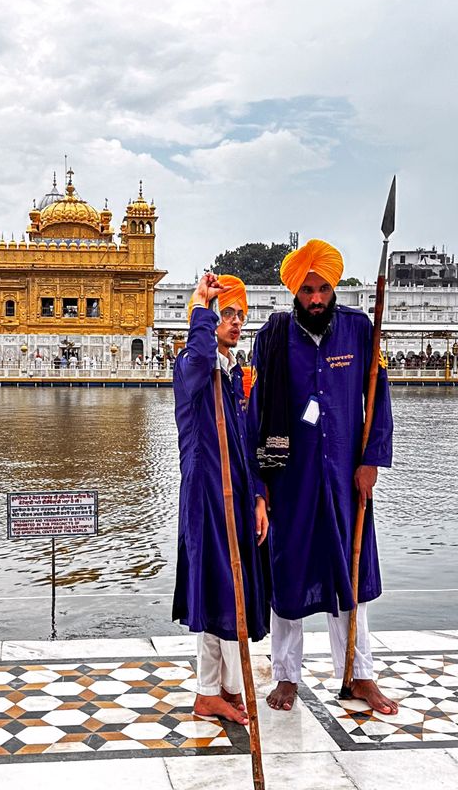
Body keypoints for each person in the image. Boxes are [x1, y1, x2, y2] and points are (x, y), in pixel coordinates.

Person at [248, 239, 396, 715]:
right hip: (290, 478)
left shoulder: (357, 331)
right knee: (288, 572)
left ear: (335, 289)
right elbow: (257, 411)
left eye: (324, 289)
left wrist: (371, 460)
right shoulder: (274, 338)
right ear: (295, 291)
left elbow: (379, 400)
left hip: (345, 478)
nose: (316, 298)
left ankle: (358, 674)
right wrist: (260, 481)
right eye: (308, 290)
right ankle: (287, 675)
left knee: (349, 573)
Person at [173, 272, 269, 725]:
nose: (233, 323)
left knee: (224, 590)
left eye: (238, 316)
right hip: (206, 495)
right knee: (222, 590)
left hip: (236, 494)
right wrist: (200, 307)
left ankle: (214, 689)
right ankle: (224, 687)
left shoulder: (232, 377)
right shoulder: (196, 367)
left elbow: (246, 447)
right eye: (226, 314)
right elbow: (196, 358)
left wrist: (258, 498)